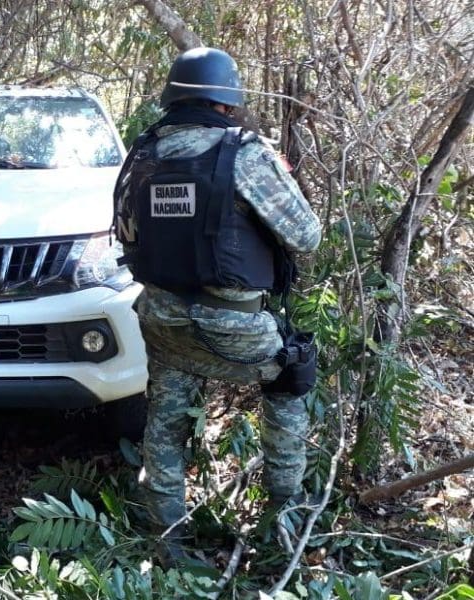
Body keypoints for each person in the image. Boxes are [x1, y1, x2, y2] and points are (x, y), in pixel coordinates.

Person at [112, 47, 322, 565]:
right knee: (291, 375)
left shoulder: (143, 155)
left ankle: (167, 540)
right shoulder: (245, 154)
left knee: (166, 417)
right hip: (235, 327)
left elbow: (126, 232)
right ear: (226, 102)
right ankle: (284, 522)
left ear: (172, 99)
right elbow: (306, 235)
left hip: (161, 318)